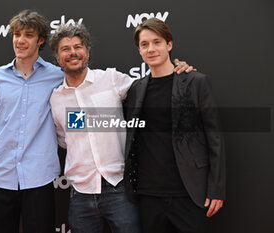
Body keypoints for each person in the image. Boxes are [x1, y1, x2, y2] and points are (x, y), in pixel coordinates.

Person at [49, 23, 192, 233]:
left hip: (119, 191)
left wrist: (178, 68)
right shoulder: (56, 99)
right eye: (65, 49)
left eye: (78, 47)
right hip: (79, 194)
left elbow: (151, 88)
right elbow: (63, 140)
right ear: (57, 58)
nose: (73, 53)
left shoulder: (111, 79)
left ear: (87, 52)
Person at [123, 18, 226, 233]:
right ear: (139, 50)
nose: (151, 49)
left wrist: (216, 189)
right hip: (148, 194)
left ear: (169, 44)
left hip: (189, 193)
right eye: (144, 44)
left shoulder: (195, 83)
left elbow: (214, 139)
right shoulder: (135, 89)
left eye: (157, 42)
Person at [0, 10, 64, 233]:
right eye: (16, 34)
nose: (20, 40)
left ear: (40, 40)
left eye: (28, 35)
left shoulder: (57, 76)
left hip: (39, 180)